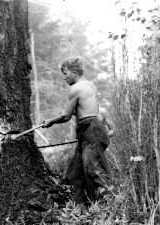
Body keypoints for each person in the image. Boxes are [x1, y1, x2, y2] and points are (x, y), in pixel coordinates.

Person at [42, 58, 112, 205]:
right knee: (75, 173)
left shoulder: (76, 88)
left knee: (95, 171)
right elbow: (87, 110)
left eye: (65, 73)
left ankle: (107, 208)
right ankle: (77, 208)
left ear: (74, 73)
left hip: (91, 131)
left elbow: (66, 116)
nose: (64, 77)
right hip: (91, 131)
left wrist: (51, 121)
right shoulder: (90, 85)